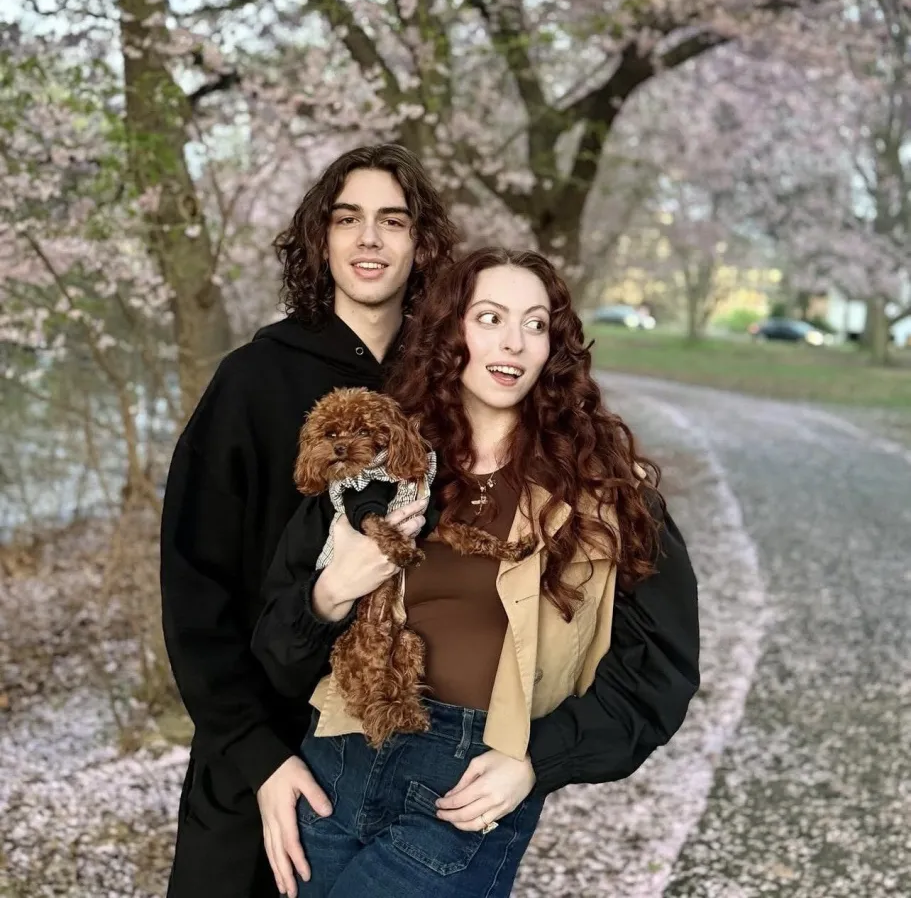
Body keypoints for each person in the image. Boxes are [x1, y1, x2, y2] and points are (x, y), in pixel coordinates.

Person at [252, 247, 700, 898]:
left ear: (554, 348)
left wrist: (537, 759)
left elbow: (659, 670)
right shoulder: (378, 466)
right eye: (489, 318)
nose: (512, 342)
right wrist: (332, 592)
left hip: (465, 784)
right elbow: (274, 645)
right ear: (449, 331)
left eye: (534, 324)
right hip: (337, 757)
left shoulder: (606, 495)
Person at [159, 144, 459, 898]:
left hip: (403, 761)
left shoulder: (447, 388)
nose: (368, 239)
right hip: (260, 752)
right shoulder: (251, 380)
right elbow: (194, 590)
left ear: (421, 244)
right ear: (319, 240)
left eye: (392, 221)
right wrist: (258, 757)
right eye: (347, 219)